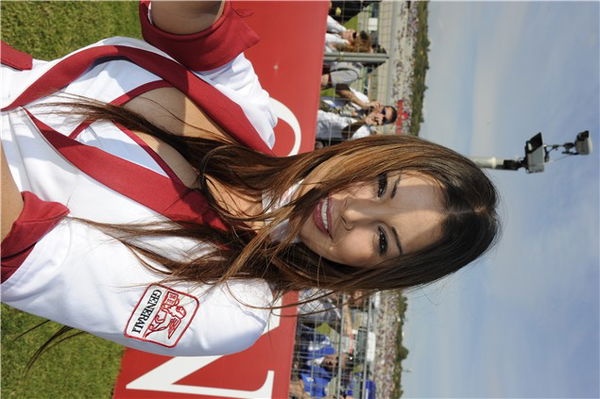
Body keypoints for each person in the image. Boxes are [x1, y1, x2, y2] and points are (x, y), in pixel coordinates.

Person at [1, 1, 500, 358]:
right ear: (373, 155)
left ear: (379, 272)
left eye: (383, 237)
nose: (352, 212)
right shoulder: (252, 121)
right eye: (381, 186)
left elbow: (17, 244)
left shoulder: (230, 310)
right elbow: (188, 21)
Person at [315, 105, 397, 144]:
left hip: (315, 128)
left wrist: (363, 122)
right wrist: (364, 104)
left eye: (384, 119)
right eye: (383, 111)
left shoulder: (365, 132)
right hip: (317, 112)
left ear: (381, 124)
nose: (380, 115)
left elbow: (345, 133)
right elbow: (340, 88)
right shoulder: (363, 106)